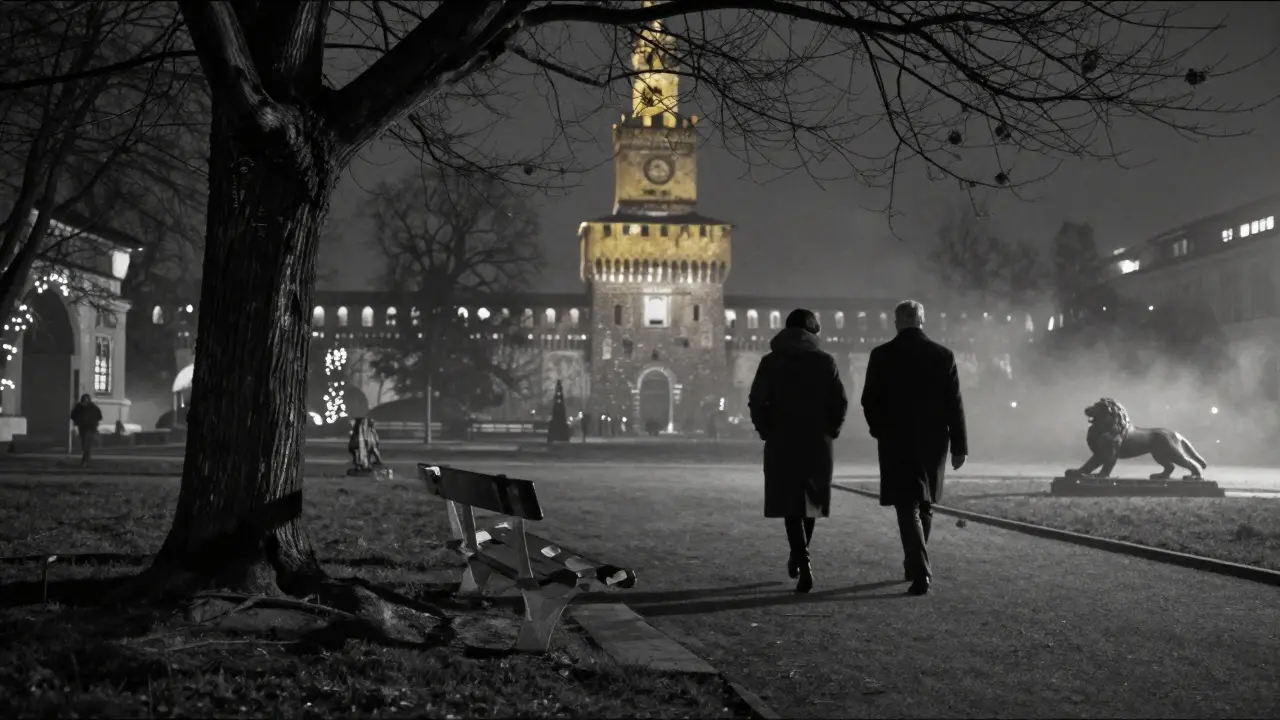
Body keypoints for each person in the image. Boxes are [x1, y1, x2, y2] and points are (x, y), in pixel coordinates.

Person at [861, 300, 968, 596]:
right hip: (934, 439)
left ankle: (920, 569)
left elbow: (869, 400)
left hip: (896, 437)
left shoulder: (882, 355)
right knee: (925, 502)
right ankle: (915, 562)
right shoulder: (942, 355)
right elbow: (954, 405)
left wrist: (879, 430)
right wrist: (959, 446)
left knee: (906, 503)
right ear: (922, 321)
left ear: (896, 322)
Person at [748, 308, 849, 593]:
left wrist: (765, 429)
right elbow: (840, 402)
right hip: (817, 441)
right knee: (811, 502)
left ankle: (801, 559)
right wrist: (832, 430)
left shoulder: (770, 362)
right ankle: (800, 557)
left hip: (782, 440)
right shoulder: (825, 361)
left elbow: (756, 400)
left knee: (790, 502)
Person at [70, 394, 103, 466]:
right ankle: (86, 459)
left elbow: (99, 416)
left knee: (87, 444)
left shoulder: (92, 407)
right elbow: (73, 416)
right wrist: (77, 422)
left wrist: (94, 423)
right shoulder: (79, 407)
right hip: (83, 428)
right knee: (85, 444)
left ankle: (85, 460)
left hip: (90, 428)